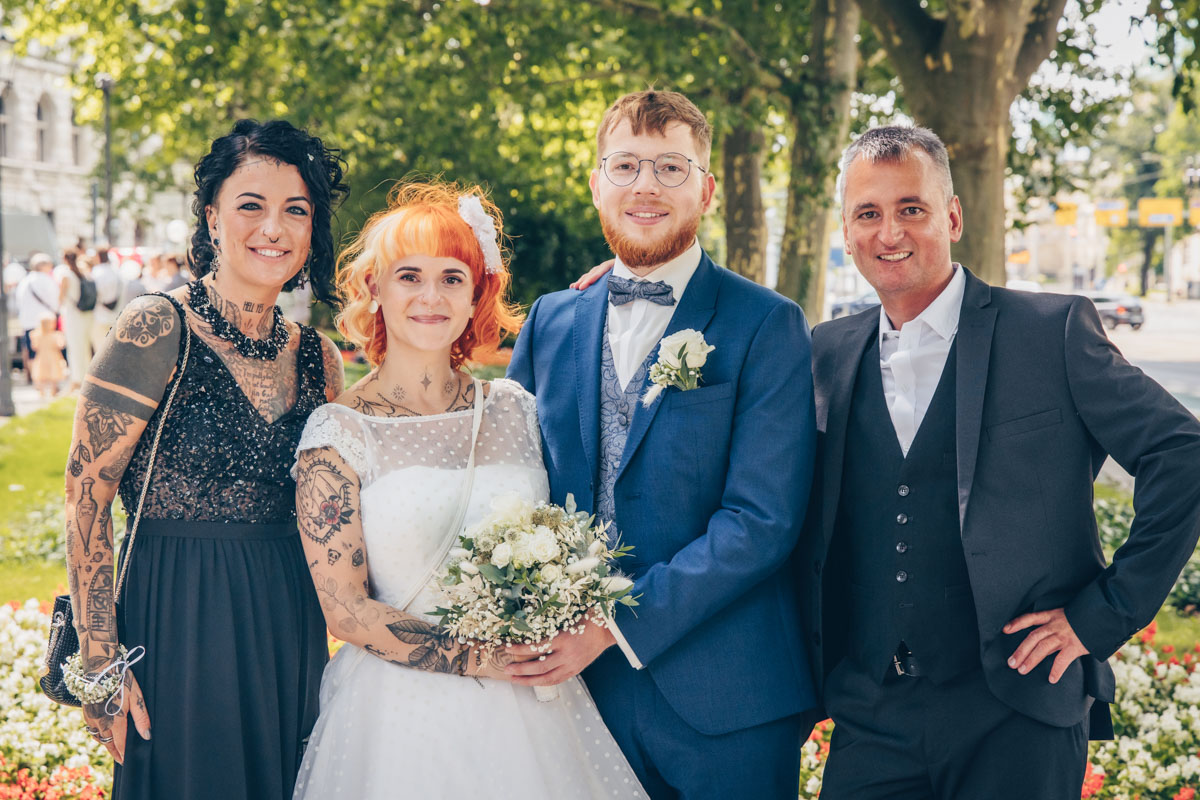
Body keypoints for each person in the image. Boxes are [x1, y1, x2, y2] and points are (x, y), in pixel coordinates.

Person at [799, 125, 1200, 799]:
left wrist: (1103, 613)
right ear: (846, 231)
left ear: (951, 216)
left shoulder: (1051, 332)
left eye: (911, 209)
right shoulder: (823, 353)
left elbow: (1183, 454)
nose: (889, 232)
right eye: (868, 213)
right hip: (872, 716)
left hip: (1018, 713)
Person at [506, 89, 819, 799]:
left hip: (727, 703)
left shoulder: (767, 323)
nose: (646, 185)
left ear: (705, 190)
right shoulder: (551, 321)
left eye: (671, 168)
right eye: (626, 166)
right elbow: (513, 487)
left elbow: (761, 521)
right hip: (574, 697)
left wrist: (614, 624)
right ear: (596, 185)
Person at [290, 181, 645, 799]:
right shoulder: (338, 434)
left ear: (476, 292)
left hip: (536, 710)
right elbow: (344, 609)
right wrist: (481, 660)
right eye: (409, 276)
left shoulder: (514, 408)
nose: (431, 297)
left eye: (453, 277)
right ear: (374, 288)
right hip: (400, 717)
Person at [63, 118, 349, 800]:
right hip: (178, 620)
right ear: (213, 219)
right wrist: (101, 659)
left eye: (295, 210)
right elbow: (86, 496)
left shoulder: (321, 358)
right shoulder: (155, 327)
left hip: (288, 622)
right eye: (251, 205)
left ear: (312, 232)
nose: (273, 228)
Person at [56, 248, 96, 391]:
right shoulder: (83, 273)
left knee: (75, 348)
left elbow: (61, 297)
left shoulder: (67, 275)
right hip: (87, 314)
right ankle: (86, 376)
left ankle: (77, 379)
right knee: (85, 348)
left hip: (73, 314)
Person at [16, 253, 59, 385]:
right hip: (46, 322)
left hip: (28, 322)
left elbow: (19, 301)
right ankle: (50, 381)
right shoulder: (46, 280)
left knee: (31, 353)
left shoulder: (25, 281)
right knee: (50, 352)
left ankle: (36, 381)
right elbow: (55, 300)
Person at [29, 314, 66, 397]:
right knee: (54, 376)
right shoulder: (56, 335)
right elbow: (61, 345)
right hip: (54, 357)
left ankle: (42, 392)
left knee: (42, 376)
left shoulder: (36, 335)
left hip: (41, 358)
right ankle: (53, 391)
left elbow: (34, 347)